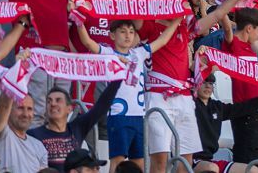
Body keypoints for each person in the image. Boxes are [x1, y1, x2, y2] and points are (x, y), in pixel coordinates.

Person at [74, 16, 182, 170]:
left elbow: (162, 40)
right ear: (112, 35)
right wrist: (79, 23)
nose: (127, 35)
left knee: (138, 163)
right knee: (117, 161)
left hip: (139, 117)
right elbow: (87, 42)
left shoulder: (139, 53)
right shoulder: (107, 53)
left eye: (131, 32)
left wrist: (177, 21)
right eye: (123, 31)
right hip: (118, 117)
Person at [0, 93, 49, 173]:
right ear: (9, 110)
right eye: (20, 108)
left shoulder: (39, 146)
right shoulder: (0, 133)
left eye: (30, 109)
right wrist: (12, 84)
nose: (25, 114)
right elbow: (4, 105)